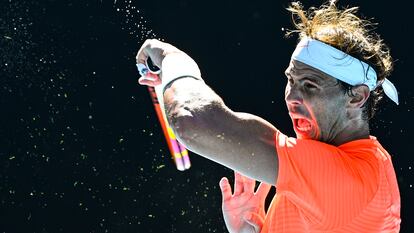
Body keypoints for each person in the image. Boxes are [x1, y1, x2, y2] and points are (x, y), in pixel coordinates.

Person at [136, 1, 401, 232]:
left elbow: (191, 120)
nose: (292, 97)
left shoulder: (347, 182)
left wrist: (174, 61)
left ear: (356, 97)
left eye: (310, 85)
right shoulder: (357, 168)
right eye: (291, 80)